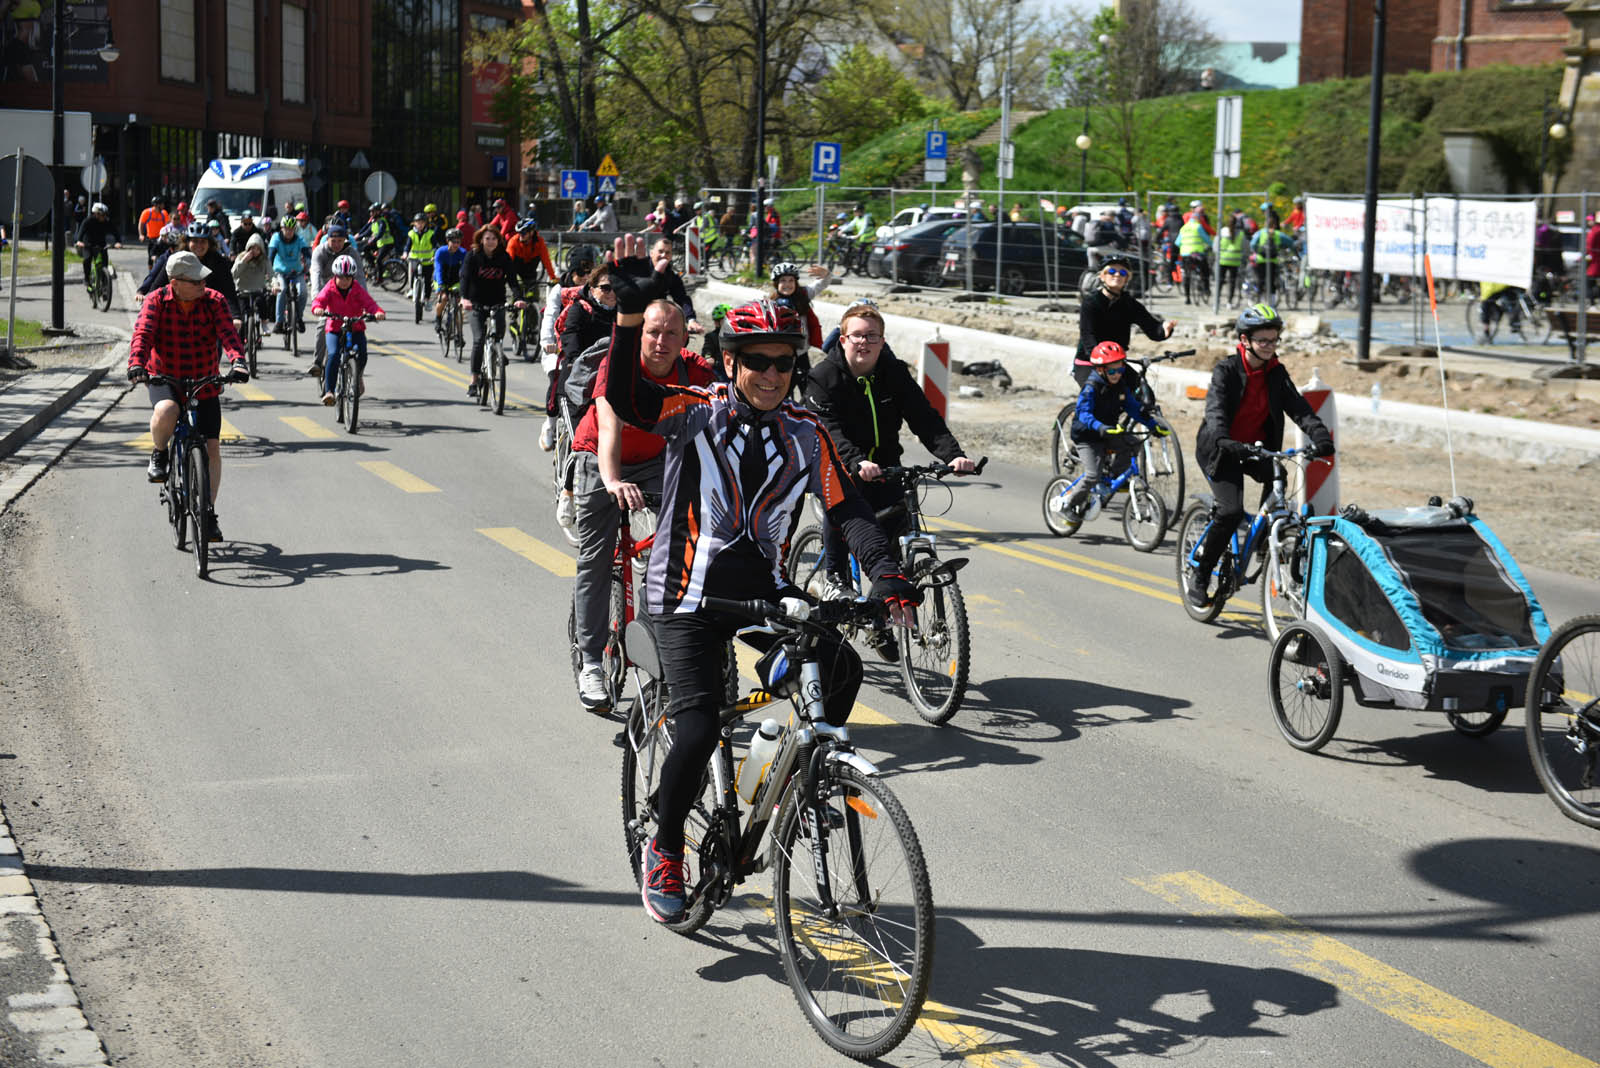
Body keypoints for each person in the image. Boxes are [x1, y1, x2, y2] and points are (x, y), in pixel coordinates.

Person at [600, 234, 919, 924]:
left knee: (837, 666)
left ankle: (796, 780)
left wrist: (888, 574)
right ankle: (665, 848)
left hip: (764, 591)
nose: (773, 375)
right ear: (731, 362)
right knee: (694, 727)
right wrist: (628, 320)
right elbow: (627, 399)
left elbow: (849, 512)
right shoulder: (694, 411)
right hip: (685, 593)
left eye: (784, 363)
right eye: (758, 363)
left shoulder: (807, 432)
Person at [803, 300, 976, 660]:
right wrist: (855, 461)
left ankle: (881, 615)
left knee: (893, 540)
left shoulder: (893, 372)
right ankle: (833, 577)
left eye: (872, 337)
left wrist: (953, 455)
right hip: (838, 464)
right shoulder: (824, 377)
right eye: (857, 336)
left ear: (882, 341)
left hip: (885, 465)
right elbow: (828, 430)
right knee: (844, 510)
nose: (864, 343)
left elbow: (923, 416)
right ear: (844, 338)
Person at [567, 300, 716, 710]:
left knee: (672, 556)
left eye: (671, 333)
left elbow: (723, 422)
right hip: (599, 456)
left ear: (685, 336)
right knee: (596, 560)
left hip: (655, 459)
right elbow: (610, 424)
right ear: (640, 334)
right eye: (652, 332)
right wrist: (613, 480)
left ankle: (666, 651)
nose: (661, 341)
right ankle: (592, 662)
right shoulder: (620, 365)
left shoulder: (696, 372)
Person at [1187, 304, 1333, 608]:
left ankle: (1267, 542)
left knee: (1279, 485)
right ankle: (1200, 573)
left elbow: (1300, 409)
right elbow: (1214, 411)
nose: (1269, 346)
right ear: (1245, 340)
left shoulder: (1276, 373)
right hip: (1221, 449)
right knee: (1229, 512)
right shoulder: (1225, 370)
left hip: (1256, 447)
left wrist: (1320, 435)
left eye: (1273, 339)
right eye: (1262, 341)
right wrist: (1223, 438)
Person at [126, 251, 250, 542]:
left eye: (202, 278)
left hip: (204, 379)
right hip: (165, 376)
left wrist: (237, 361)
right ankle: (160, 452)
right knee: (167, 411)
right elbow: (142, 335)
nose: (202, 284)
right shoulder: (156, 301)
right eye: (195, 280)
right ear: (175, 282)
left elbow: (229, 335)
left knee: (211, 447)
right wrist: (136, 364)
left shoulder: (214, 301)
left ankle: (207, 512)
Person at [1058, 341, 1169, 517]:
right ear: (1101, 369)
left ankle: (1111, 478)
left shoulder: (1120, 386)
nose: (1117, 374)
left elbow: (1133, 408)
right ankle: (1067, 504)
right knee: (1091, 475)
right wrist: (1100, 427)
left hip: (1108, 432)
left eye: (1120, 370)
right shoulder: (1091, 388)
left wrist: (1153, 426)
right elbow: (1084, 414)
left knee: (1133, 444)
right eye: (1112, 371)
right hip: (1087, 436)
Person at [1074, 254, 1174, 385]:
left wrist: (1164, 328)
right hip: (1090, 361)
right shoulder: (1091, 302)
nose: (1117, 275)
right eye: (1111, 271)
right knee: (1098, 393)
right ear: (1102, 276)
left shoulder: (1129, 304)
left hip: (1116, 364)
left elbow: (1152, 328)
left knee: (1143, 393)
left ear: (1127, 278)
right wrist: (1098, 357)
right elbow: (1087, 335)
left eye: (1122, 272)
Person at [310, 253, 386, 405]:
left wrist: (378, 312)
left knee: (363, 354)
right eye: (341, 277)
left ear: (353, 277)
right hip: (334, 329)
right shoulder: (330, 288)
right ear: (335, 276)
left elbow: (369, 303)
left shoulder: (357, 289)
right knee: (333, 355)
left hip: (355, 327)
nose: (344, 281)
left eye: (348, 278)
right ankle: (330, 391)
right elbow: (319, 301)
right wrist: (318, 308)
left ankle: (357, 376)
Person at [459, 225, 524, 399]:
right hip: (475, 304)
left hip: (497, 302)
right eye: (487, 238)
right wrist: (464, 298)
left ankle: (497, 351)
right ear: (481, 239)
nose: (491, 241)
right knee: (479, 339)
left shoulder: (504, 258)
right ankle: (474, 381)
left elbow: (513, 281)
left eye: (494, 238)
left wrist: (518, 298)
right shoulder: (472, 256)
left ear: (498, 240)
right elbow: (464, 278)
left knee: (499, 334)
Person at [306, 223, 364, 377]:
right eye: (333, 241)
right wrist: (317, 301)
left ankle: (357, 375)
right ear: (327, 239)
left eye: (340, 241)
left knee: (355, 324)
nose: (337, 244)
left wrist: (363, 301)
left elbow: (360, 277)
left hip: (347, 290)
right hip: (327, 291)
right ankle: (317, 363)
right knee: (323, 323)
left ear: (345, 240)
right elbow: (316, 275)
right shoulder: (320, 251)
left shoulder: (352, 252)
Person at [767, 260, 831, 349]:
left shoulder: (803, 294)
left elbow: (820, 284)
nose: (787, 284)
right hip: (780, 350)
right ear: (776, 283)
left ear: (796, 283)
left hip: (801, 349)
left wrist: (827, 274)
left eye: (791, 280)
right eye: (783, 280)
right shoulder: (770, 302)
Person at [647, 236, 703, 335]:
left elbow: (682, 298)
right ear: (651, 253)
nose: (663, 255)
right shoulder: (640, 269)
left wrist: (691, 320)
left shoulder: (671, 275)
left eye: (668, 252)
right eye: (660, 251)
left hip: (656, 317)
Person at [267, 216, 310, 333]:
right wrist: (269, 274)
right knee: (282, 290)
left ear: (295, 229)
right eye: (286, 229)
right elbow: (270, 257)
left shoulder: (300, 239)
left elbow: (307, 256)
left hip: (296, 272)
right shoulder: (275, 238)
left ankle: (298, 318)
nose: (289, 232)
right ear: (281, 228)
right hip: (280, 271)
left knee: (303, 292)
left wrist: (307, 268)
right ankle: (279, 321)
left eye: (291, 229)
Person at [1251, 210, 1296, 305]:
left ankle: (1257, 302)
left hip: (1260, 260)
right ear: (1274, 225)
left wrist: (1257, 251)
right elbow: (1291, 242)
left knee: (1260, 280)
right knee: (1271, 282)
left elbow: (1253, 244)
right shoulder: (1278, 234)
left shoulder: (1261, 233)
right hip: (1272, 261)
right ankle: (1271, 304)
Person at [72, 202, 122, 289]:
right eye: (102, 215)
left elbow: (115, 231)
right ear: (96, 214)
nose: (104, 217)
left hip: (101, 244)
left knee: (104, 263)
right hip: (88, 244)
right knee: (87, 259)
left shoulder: (106, 221)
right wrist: (79, 241)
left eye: (105, 215)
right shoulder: (88, 221)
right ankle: (86, 278)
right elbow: (81, 232)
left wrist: (118, 241)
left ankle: (105, 285)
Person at [230, 231, 272, 324]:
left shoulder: (264, 260)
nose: (255, 251)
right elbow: (233, 274)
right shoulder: (241, 257)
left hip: (257, 290)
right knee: (241, 316)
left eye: (258, 249)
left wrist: (275, 285)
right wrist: (244, 261)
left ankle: (264, 322)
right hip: (242, 291)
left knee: (262, 302)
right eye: (252, 248)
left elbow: (271, 275)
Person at [431, 227, 469, 327]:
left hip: (455, 280)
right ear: (448, 241)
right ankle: (438, 319)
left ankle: (459, 334)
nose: (456, 245)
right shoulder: (440, 252)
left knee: (458, 304)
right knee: (444, 298)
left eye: (458, 242)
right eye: (454, 242)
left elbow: (465, 270)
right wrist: (440, 285)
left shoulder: (463, 253)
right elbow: (438, 269)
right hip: (440, 279)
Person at [404, 212, 440, 312]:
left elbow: (435, 246)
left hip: (427, 260)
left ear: (425, 223)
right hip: (414, 259)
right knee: (412, 274)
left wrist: (436, 254)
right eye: (417, 222)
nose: (419, 224)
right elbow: (407, 246)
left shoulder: (430, 233)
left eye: (422, 222)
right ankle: (411, 289)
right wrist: (405, 253)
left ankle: (427, 300)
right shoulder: (411, 233)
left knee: (428, 280)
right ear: (414, 223)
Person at [1177, 209, 1213, 305]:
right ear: (1198, 219)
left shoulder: (1183, 228)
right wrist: (1211, 245)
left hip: (1185, 255)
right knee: (1206, 271)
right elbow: (1207, 239)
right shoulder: (1198, 226)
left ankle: (1187, 298)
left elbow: (1177, 242)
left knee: (1187, 275)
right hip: (1197, 254)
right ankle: (1206, 289)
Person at [1217, 225, 1245, 305]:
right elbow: (1245, 246)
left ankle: (1217, 299)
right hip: (1235, 260)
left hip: (1222, 260)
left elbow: (1216, 244)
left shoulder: (1222, 231)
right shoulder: (1240, 234)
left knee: (1220, 280)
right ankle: (1229, 301)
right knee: (1232, 282)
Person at [139, 197, 170, 265]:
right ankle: (151, 273)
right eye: (162, 204)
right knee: (151, 257)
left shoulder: (164, 213)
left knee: (163, 256)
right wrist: (141, 234)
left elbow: (168, 225)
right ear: (158, 205)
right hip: (151, 238)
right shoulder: (147, 212)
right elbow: (141, 224)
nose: (163, 206)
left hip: (161, 238)